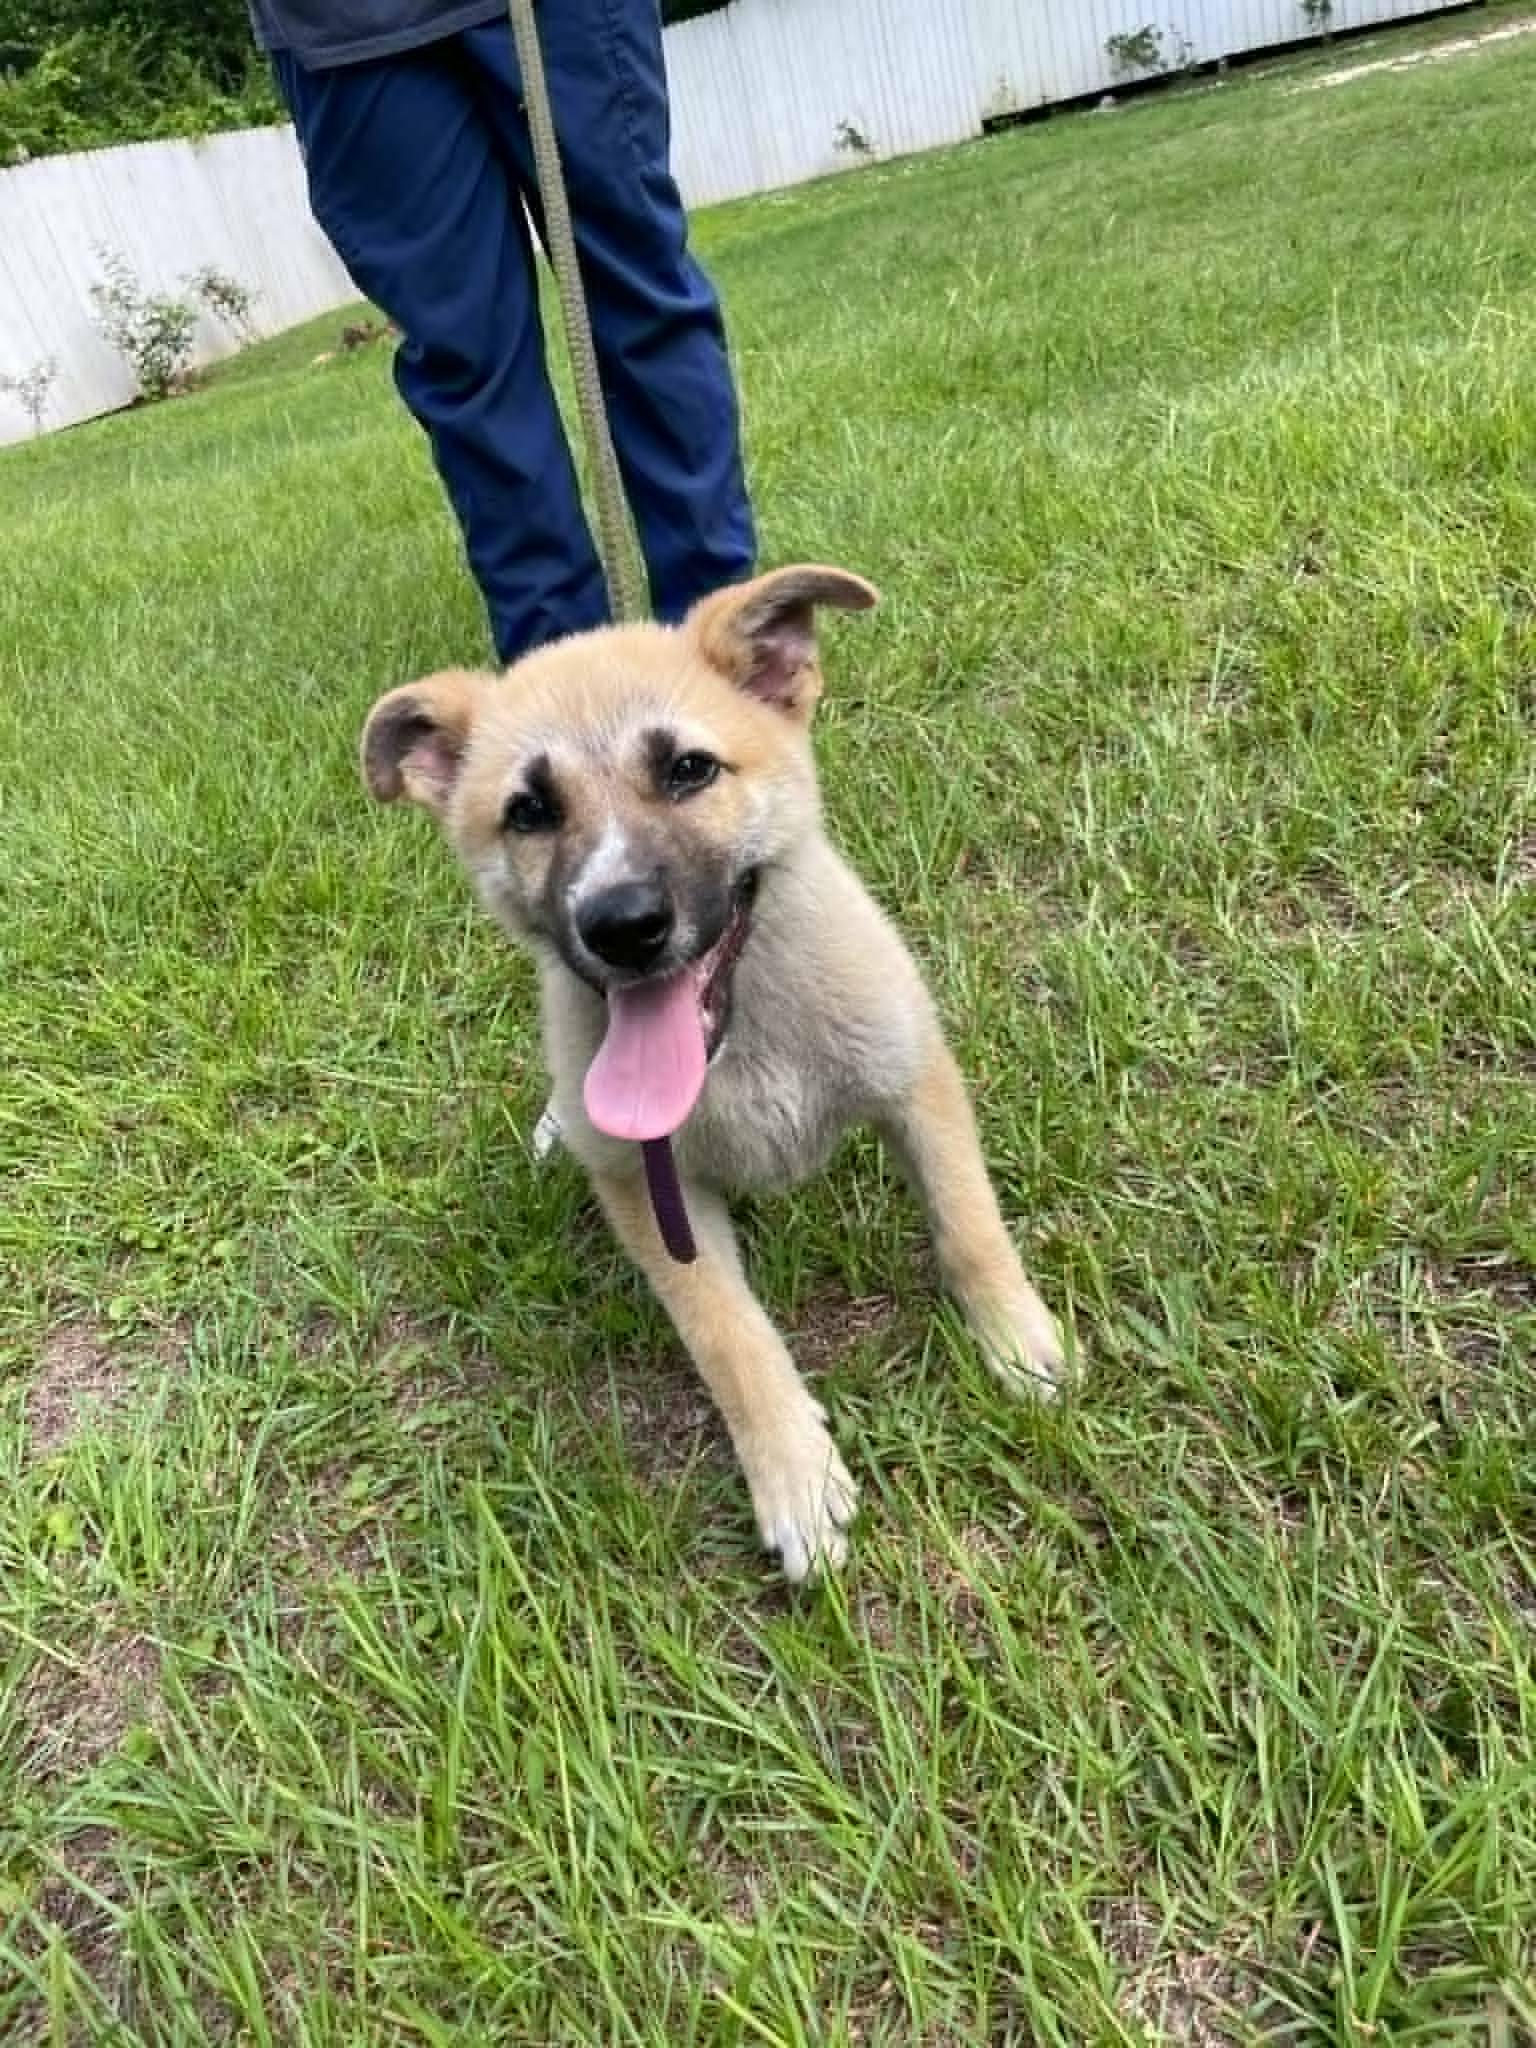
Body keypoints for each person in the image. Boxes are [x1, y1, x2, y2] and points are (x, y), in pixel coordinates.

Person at [249, 0, 757, 665]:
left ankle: (726, 649)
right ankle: (558, 671)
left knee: (638, 295)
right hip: (348, 25)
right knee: (466, 357)